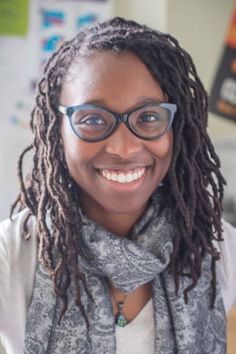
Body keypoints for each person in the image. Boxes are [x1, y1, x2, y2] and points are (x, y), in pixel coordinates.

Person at [0, 16, 235, 354]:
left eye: (149, 117)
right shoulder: (14, 255)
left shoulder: (217, 249)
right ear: (58, 130)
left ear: (176, 128)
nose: (124, 149)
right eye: (93, 120)